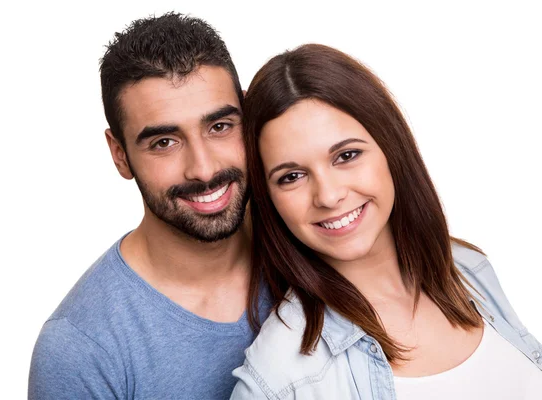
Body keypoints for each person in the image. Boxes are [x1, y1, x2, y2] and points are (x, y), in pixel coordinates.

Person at [231, 44, 542, 399]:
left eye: (346, 155)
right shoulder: (278, 377)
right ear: (269, 199)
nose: (329, 196)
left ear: (390, 147)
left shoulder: (469, 269)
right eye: (292, 176)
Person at [28, 13, 271, 399]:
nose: (203, 168)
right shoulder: (80, 350)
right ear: (120, 154)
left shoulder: (306, 240)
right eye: (164, 142)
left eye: (219, 127)